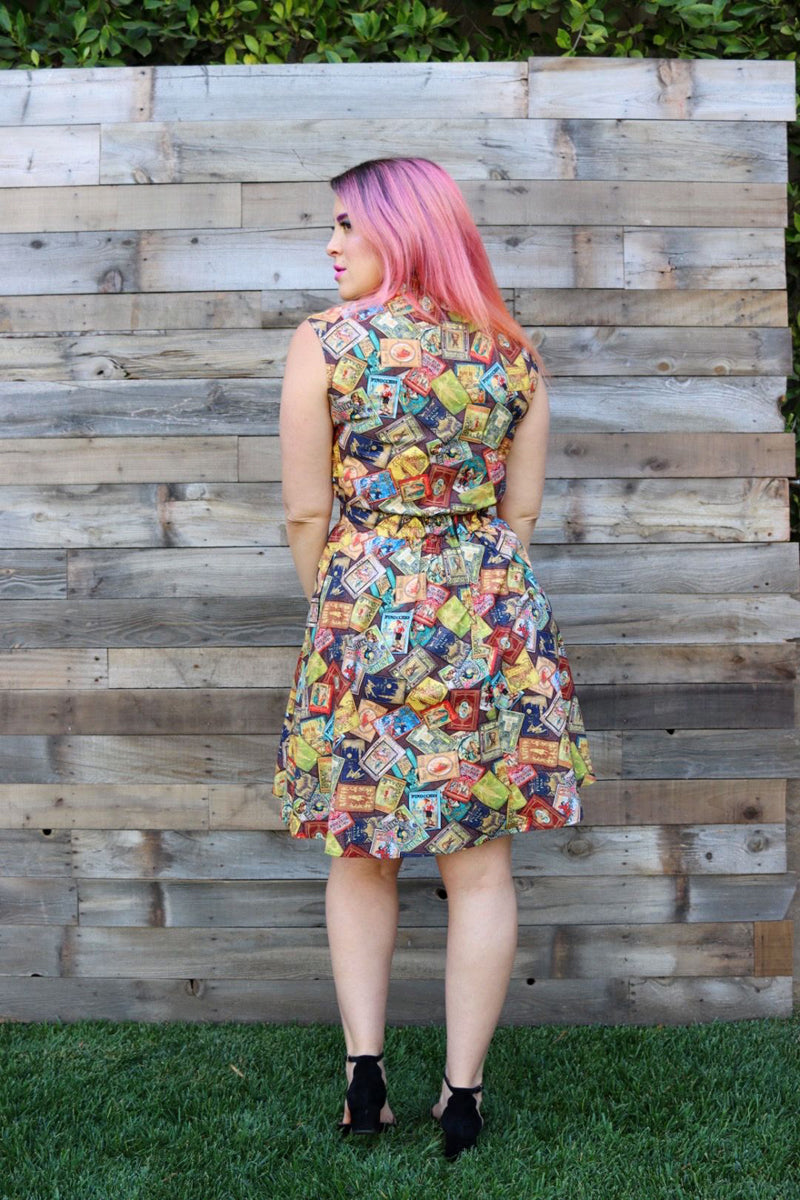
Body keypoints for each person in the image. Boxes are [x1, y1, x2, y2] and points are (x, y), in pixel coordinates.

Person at [272, 156, 597, 1160]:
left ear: (398, 230)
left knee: (360, 848)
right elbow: (524, 513)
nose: (328, 245)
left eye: (343, 226)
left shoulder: (327, 343)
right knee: (481, 866)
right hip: (485, 612)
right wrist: (470, 594)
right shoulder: (510, 350)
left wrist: (342, 608)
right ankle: (460, 1095)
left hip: (362, 605)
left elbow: (302, 511)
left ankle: (364, 1076)